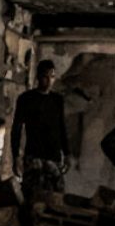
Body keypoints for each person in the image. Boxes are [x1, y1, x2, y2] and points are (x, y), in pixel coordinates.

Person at [10, 60, 70, 200]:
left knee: (55, 197)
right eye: (45, 77)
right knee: (31, 196)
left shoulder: (57, 100)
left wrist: (67, 154)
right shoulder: (26, 99)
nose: (49, 81)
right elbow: (17, 129)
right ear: (38, 77)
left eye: (52, 77)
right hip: (34, 155)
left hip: (54, 156)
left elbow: (61, 126)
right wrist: (15, 156)